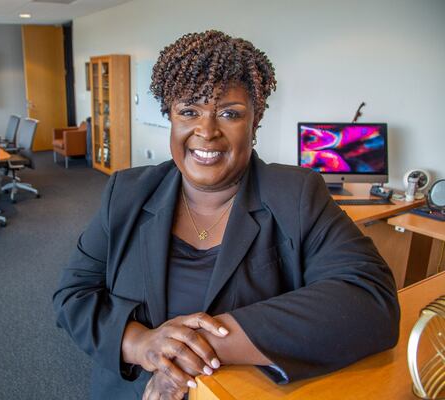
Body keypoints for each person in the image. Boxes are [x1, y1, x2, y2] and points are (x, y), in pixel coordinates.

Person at [53, 30, 400, 399]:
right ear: (170, 118)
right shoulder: (126, 193)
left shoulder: (296, 195)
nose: (206, 130)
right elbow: (73, 296)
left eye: (229, 113)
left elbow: (371, 301)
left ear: (254, 123)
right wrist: (142, 345)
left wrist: (198, 347)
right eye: (189, 111)